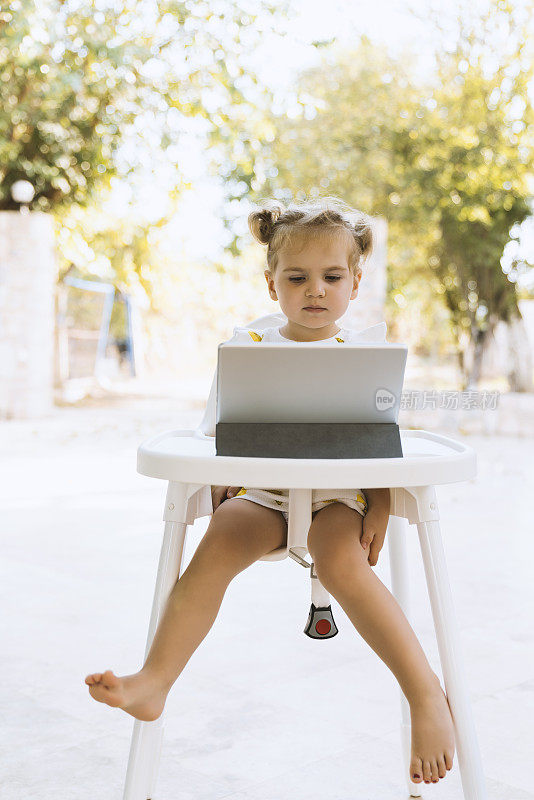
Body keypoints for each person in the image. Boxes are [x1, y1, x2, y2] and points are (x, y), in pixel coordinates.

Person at [85, 197, 454, 787]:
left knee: (341, 560)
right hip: (262, 493)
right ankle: (154, 681)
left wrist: (381, 500)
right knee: (217, 544)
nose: (315, 291)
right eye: (297, 278)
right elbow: (215, 431)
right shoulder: (247, 345)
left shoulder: (364, 353)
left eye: (332, 277)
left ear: (355, 284)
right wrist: (223, 478)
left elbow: (386, 438)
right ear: (271, 283)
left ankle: (425, 693)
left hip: (340, 497)